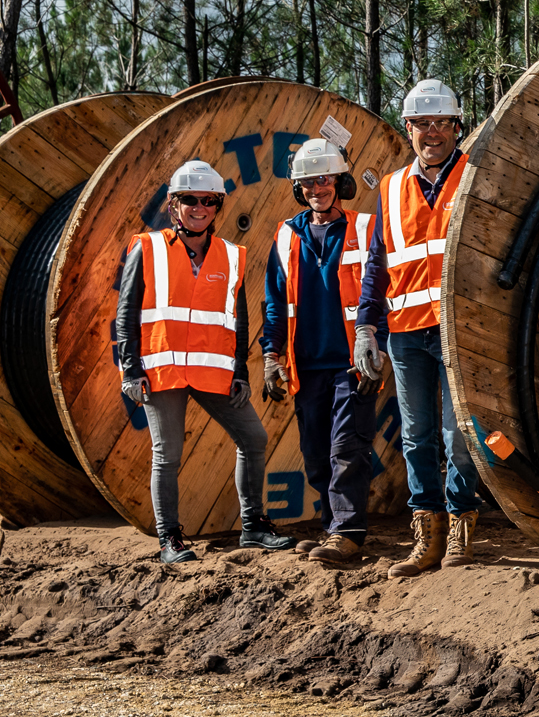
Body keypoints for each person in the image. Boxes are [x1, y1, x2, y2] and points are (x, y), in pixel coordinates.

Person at [115, 160, 288, 563]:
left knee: (254, 438)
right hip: (162, 371)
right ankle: (169, 539)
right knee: (168, 454)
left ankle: (253, 526)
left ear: (217, 206)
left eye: (207, 200)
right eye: (189, 200)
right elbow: (126, 314)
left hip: (213, 369)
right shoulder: (148, 248)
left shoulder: (231, 255)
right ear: (173, 205)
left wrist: (241, 371)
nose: (199, 207)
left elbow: (239, 319)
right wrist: (130, 370)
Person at [361, 79, 479, 578]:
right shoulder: (390, 187)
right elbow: (377, 264)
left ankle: (460, 526)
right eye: (421, 124)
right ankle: (425, 535)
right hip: (406, 330)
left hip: (457, 330)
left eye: (440, 123)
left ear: (457, 127)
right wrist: (368, 327)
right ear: (407, 129)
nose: (431, 133)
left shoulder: (477, 176)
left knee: (457, 435)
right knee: (417, 435)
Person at [259, 138, 386, 566]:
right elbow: (275, 303)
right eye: (309, 182)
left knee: (347, 448)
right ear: (299, 188)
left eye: (325, 179)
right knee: (316, 453)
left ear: (340, 181)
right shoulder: (285, 235)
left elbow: (380, 292)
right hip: (306, 364)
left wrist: (376, 345)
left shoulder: (366, 228)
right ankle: (333, 527)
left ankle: (348, 533)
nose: (318, 188)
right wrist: (270, 356)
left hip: (352, 362)